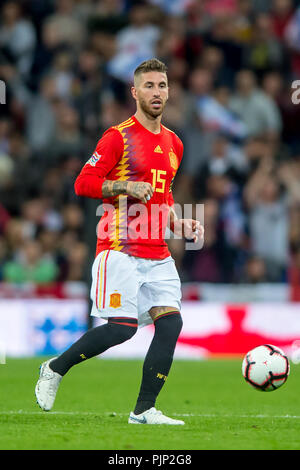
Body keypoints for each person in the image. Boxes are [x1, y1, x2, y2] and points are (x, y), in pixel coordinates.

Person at [35, 58, 203, 425]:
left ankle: (144, 410)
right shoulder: (118, 137)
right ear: (135, 92)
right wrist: (124, 185)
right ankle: (55, 367)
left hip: (157, 250)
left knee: (171, 324)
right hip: (120, 247)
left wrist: (179, 223)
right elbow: (83, 183)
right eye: (149, 86)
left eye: (162, 86)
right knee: (122, 329)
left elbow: (164, 196)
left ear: (169, 91)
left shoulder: (175, 143)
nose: (156, 92)